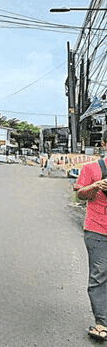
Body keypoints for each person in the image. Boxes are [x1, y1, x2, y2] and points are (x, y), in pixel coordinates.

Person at [74, 131, 107, 341]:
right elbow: (79, 193)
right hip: (97, 230)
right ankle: (102, 324)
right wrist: (94, 187)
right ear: (104, 143)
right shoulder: (91, 168)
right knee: (100, 276)